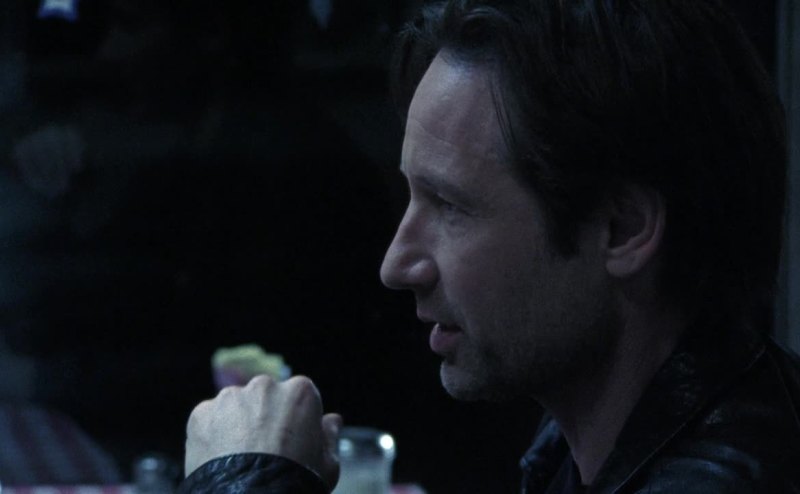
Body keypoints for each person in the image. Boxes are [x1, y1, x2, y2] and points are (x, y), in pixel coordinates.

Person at [177, 0, 800, 492]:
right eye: (411, 196)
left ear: (621, 229)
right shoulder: (591, 447)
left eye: (450, 205)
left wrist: (245, 481)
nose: (397, 265)